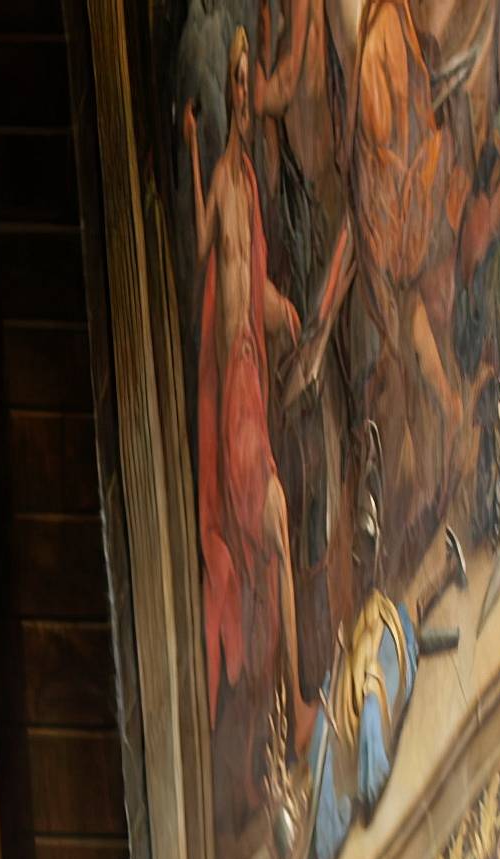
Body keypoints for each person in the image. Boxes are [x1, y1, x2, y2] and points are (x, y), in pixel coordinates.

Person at [186, 32, 308, 746]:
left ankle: (286, 708)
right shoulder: (225, 181)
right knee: (273, 525)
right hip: (232, 387)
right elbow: (207, 248)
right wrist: (191, 153)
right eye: (234, 81)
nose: (241, 93)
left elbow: (250, 282)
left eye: (244, 80)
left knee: (273, 539)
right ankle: (291, 702)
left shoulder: (253, 185)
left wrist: (283, 310)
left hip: (251, 376)